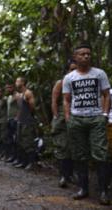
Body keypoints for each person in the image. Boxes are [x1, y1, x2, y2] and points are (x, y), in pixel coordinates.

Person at [63, 44, 110, 205]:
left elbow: (106, 95)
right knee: (79, 154)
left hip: (96, 119)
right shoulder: (69, 78)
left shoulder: (99, 73)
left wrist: (104, 114)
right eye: (82, 54)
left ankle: (103, 191)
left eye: (88, 54)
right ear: (75, 57)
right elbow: (67, 99)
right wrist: (68, 117)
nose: (86, 57)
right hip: (77, 120)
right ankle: (83, 188)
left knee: (100, 154)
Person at [51, 60, 77, 188]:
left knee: (74, 146)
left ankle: (71, 174)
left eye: (76, 69)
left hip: (77, 114)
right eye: (71, 69)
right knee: (62, 146)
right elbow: (54, 101)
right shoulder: (61, 83)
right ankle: (63, 175)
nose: (74, 72)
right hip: (62, 116)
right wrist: (56, 117)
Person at [14, 77, 37, 170]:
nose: (16, 83)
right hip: (20, 120)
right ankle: (23, 161)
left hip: (27, 121)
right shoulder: (18, 94)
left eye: (17, 81)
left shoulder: (28, 93)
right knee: (20, 141)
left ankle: (32, 163)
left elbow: (32, 106)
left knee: (28, 141)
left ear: (23, 82)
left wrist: (28, 116)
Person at [6, 83, 18, 163]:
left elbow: (20, 107)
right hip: (9, 119)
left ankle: (17, 157)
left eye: (10, 87)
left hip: (15, 120)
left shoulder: (17, 96)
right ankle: (12, 156)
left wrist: (17, 117)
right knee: (10, 139)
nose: (8, 89)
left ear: (13, 87)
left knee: (16, 139)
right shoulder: (9, 97)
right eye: (7, 88)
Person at [0, 87, 9, 161]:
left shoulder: (4, 99)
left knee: (4, 138)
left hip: (4, 121)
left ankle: (6, 155)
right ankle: (1, 153)